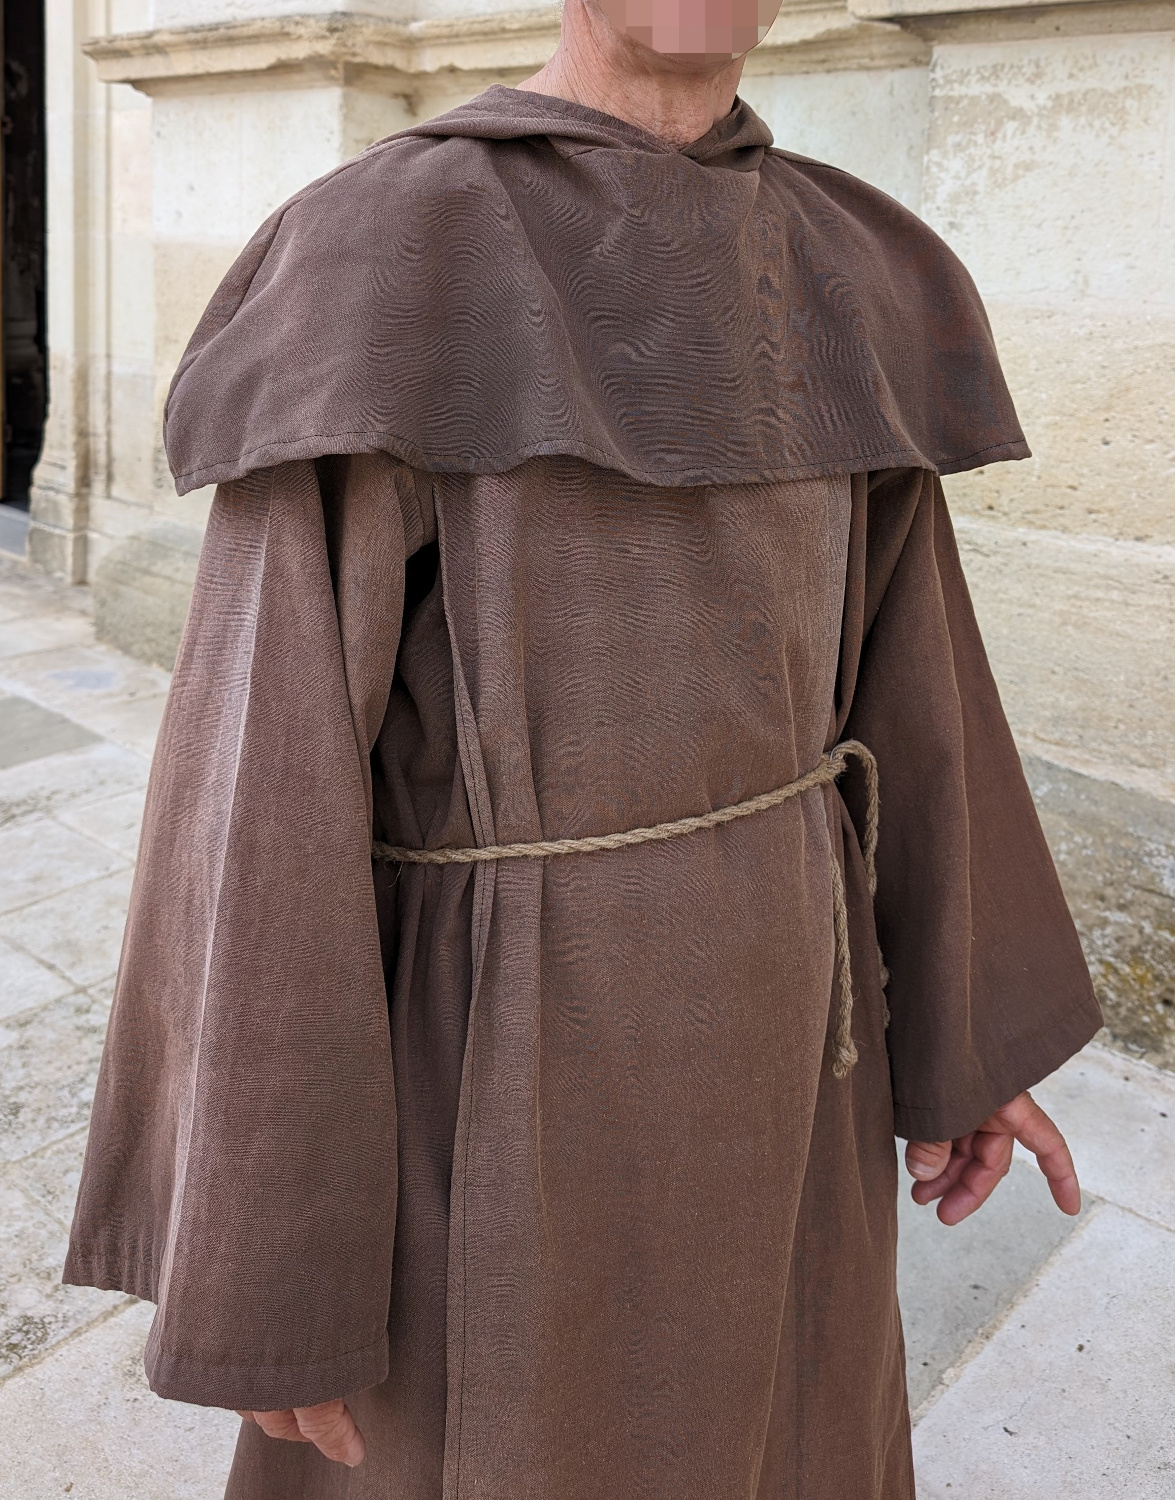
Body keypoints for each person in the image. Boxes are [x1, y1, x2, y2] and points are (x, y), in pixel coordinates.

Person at [64, 0, 1103, 1495]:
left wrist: (961, 1039)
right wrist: (269, 1268)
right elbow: (258, 795)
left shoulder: (850, 265)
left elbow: (917, 684)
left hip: (789, 1060)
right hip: (500, 1070)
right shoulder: (380, 255)